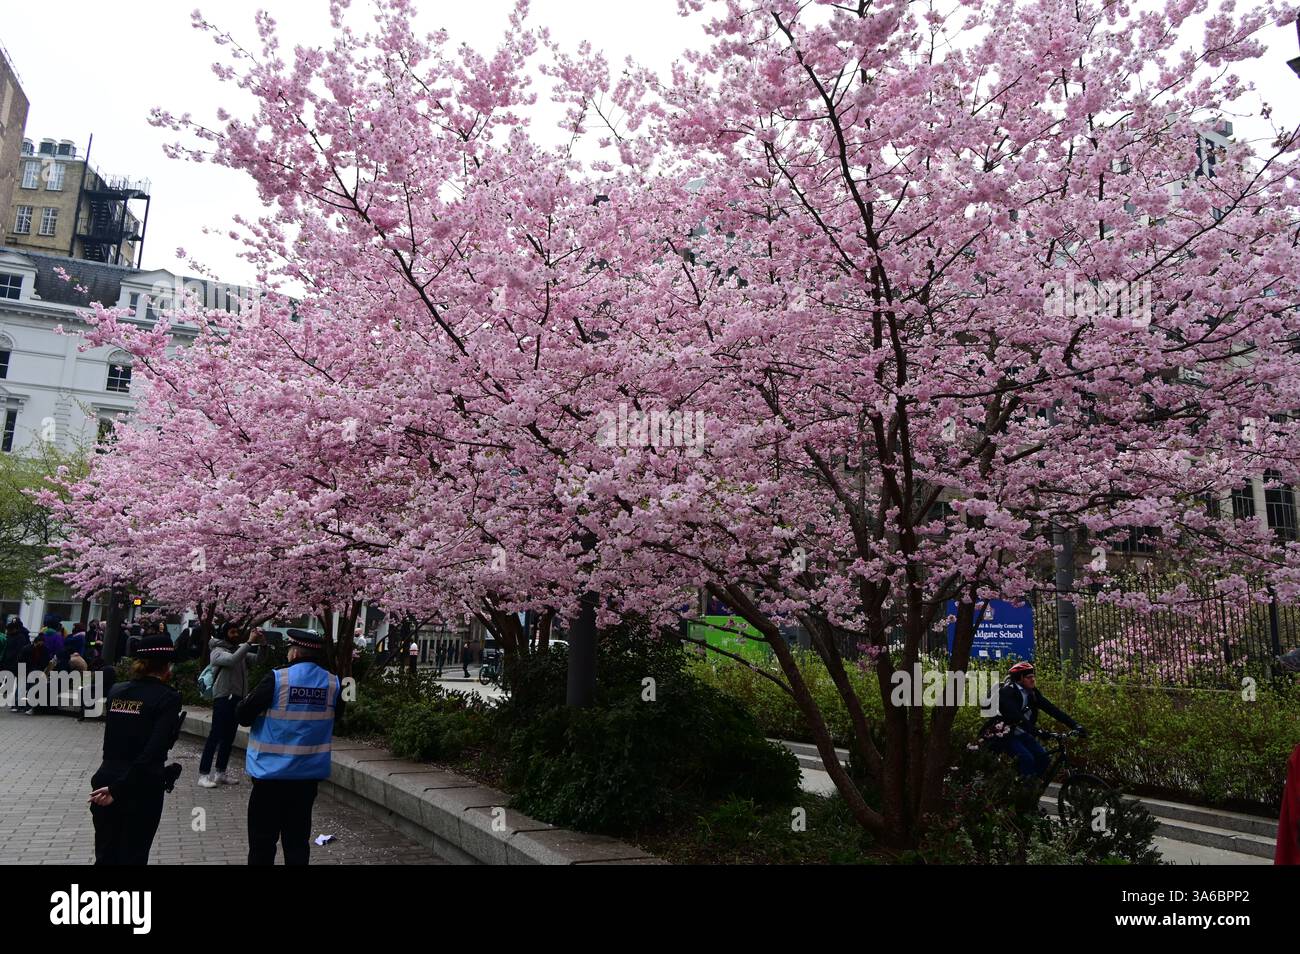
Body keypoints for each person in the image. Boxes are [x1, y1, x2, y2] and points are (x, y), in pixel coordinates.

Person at [237, 629, 343, 865]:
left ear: (294, 652)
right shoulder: (333, 683)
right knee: (297, 843)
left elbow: (243, 715)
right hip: (306, 778)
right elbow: (338, 718)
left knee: (262, 843)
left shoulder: (278, 678)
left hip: (269, 777)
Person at [86, 635, 184, 865]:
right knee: (134, 855)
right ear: (167, 665)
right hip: (140, 787)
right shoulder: (167, 698)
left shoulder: (117, 692)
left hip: (105, 778)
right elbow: (151, 752)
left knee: (105, 854)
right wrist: (118, 789)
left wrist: (111, 786)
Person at [980, 661, 1085, 777]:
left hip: (1023, 733)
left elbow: (1052, 709)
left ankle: (1032, 787)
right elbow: (1017, 717)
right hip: (1006, 735)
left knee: (1044, 759)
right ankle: (1024, 791)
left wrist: (1075, 725)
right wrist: (1038, 732)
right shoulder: (1007, 692)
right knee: (1027, 759)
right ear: (1020, 678)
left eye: (1033, 677)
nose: (1033, 680)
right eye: (1029, 677)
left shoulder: (1032, 693)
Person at [198, 623, 263, 787]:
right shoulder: (217, 652)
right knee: (216, 735)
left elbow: (258, 660)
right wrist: (248, 643)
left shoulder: (238, 650)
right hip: (223, 697)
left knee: (229, 737)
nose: (235, 634)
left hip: (238, 698)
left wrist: (263, 645)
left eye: (237, 631)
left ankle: (220, 772)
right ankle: (203, 774)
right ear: (224, 633)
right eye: (232, 632)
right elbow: (232, 661)